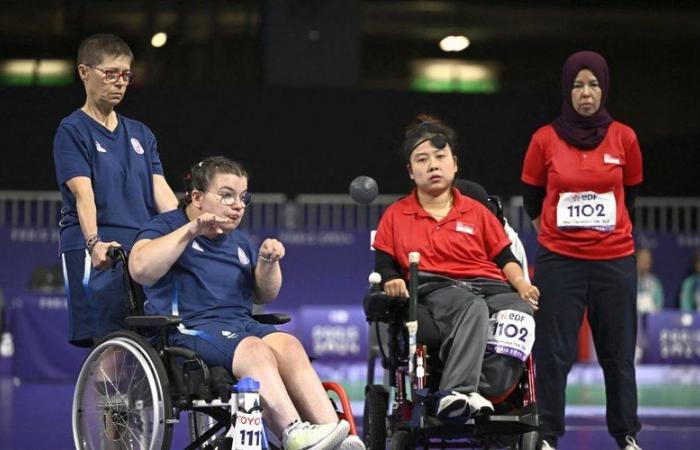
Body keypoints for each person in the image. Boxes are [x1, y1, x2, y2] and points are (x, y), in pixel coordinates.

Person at [128, 156, 360, 450]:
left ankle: (334, 436)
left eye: (243, 197)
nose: (238, 204)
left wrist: (267, 263)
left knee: (289, 345)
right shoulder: (165, 226)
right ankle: (292, 432)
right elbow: (139, 268)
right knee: (254, 349)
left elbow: (263, 295)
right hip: (188, 329)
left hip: (239, 325)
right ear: (197, 197)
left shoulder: (239, 241)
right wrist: (192, 230)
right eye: (227, 195)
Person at [372, 114, 539, 419]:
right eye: (422, 160)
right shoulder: (395, 215)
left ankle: (487, 390)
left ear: (455, 164)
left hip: (489, 284)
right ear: (411, 171)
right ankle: (457, 392)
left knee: (521, 313)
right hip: (435, 286)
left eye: (440, 157)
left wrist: (522, 285)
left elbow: (506, 258)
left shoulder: (477, 211)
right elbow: (383, 266)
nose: (433, 165)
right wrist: (391, 280)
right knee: (471, 307)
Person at [520, 51, 643, 450]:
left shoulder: (625, 137)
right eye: (578, 85)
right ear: (566, 90)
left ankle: (626, 434)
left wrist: (608, 235)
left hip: (614, 261)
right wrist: (554, 234)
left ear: (604, 89)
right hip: (560, 262)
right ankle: (548, 436)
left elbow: (633, 195)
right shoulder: (544, 138)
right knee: (553, 353)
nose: (586, 93)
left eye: (593, 85)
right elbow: (532, 196)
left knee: (618, 352)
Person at [53, 33, 178, 347]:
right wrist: (94, 242)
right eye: (111, 73)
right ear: (84, 72)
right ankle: (108, 400)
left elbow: (160, 190)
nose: (120, 82)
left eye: (126, 75)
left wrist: (186, 232)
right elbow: (83, 194)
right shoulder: (72, 130)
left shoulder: (141, 133)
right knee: (109, 343)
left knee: (151, 339)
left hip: (142, 247)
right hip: (99, 248)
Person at [635, 248, 664, 362]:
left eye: (648, 260)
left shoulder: (655, 283)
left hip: (651, 322)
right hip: (632, 321)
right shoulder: (628, 279)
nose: (646, 262)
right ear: (636, 260)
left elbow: (659, 306)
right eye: (643, 259)